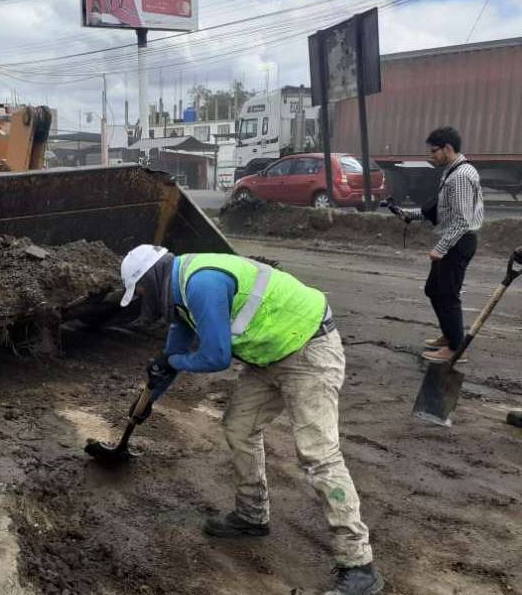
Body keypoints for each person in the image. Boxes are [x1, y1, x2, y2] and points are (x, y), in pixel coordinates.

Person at [119, 245, 383, 595]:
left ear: (153, 279)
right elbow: (172, 355)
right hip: (269, 355)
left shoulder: (201, 284)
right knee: (239, 426)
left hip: (309, 348)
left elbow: (216, 356)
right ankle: (252, 515)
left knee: (318, 455)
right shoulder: (180, 295)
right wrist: (149, 400)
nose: (141, 298)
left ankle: (359, 565)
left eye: (140, 291)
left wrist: (174, 362)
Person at [391, 126, 483, 363]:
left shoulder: (460, 176)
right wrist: (409, 214)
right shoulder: (452, 171)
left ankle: (456, 348)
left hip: (458, 243)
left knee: (447, 294)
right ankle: (450, 334)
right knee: (434, 289)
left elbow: (462, 220)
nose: (431, 156)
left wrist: (440, 249)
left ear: (447, 148)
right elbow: (440, 210)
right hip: (454, 240)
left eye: (434, 151)